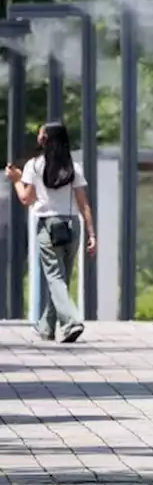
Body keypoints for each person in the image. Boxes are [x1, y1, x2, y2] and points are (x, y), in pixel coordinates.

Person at [4, 122, 96, 343]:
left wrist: (16, 180)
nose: (37, 137)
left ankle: (71, 322)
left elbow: (26, 198)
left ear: (45, 140)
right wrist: (92, 234)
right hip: (72, 227)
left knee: (55, 277)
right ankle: (46, 326)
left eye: (40, 134)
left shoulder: (34, 166)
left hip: (49, 225)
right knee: (62, 278)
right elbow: (84, 204)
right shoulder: (73, 167)